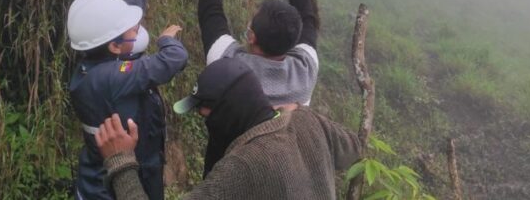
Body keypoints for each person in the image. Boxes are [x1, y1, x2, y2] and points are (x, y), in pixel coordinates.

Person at [97, 58, 362, 200]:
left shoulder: (242, 167)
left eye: (207, 108)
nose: (202, 116)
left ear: (233, 107)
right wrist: (299, 111)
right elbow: (355, 148)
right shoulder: (308, 121)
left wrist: (121, 162)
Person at [67, 0, 188, 200]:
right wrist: (167, 40)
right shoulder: (111, 77)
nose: (137, 27)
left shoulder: (99, 58)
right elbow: (173, 60)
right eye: (131, 29)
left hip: (123, 165)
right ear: (113, 46)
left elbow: (133, 2)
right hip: (116, 183)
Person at [198, 0, 319, 109]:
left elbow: (210, 10)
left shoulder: (227, 66)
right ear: (295, 40)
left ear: (251, 36)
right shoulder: (305, 72)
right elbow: (308, 19)